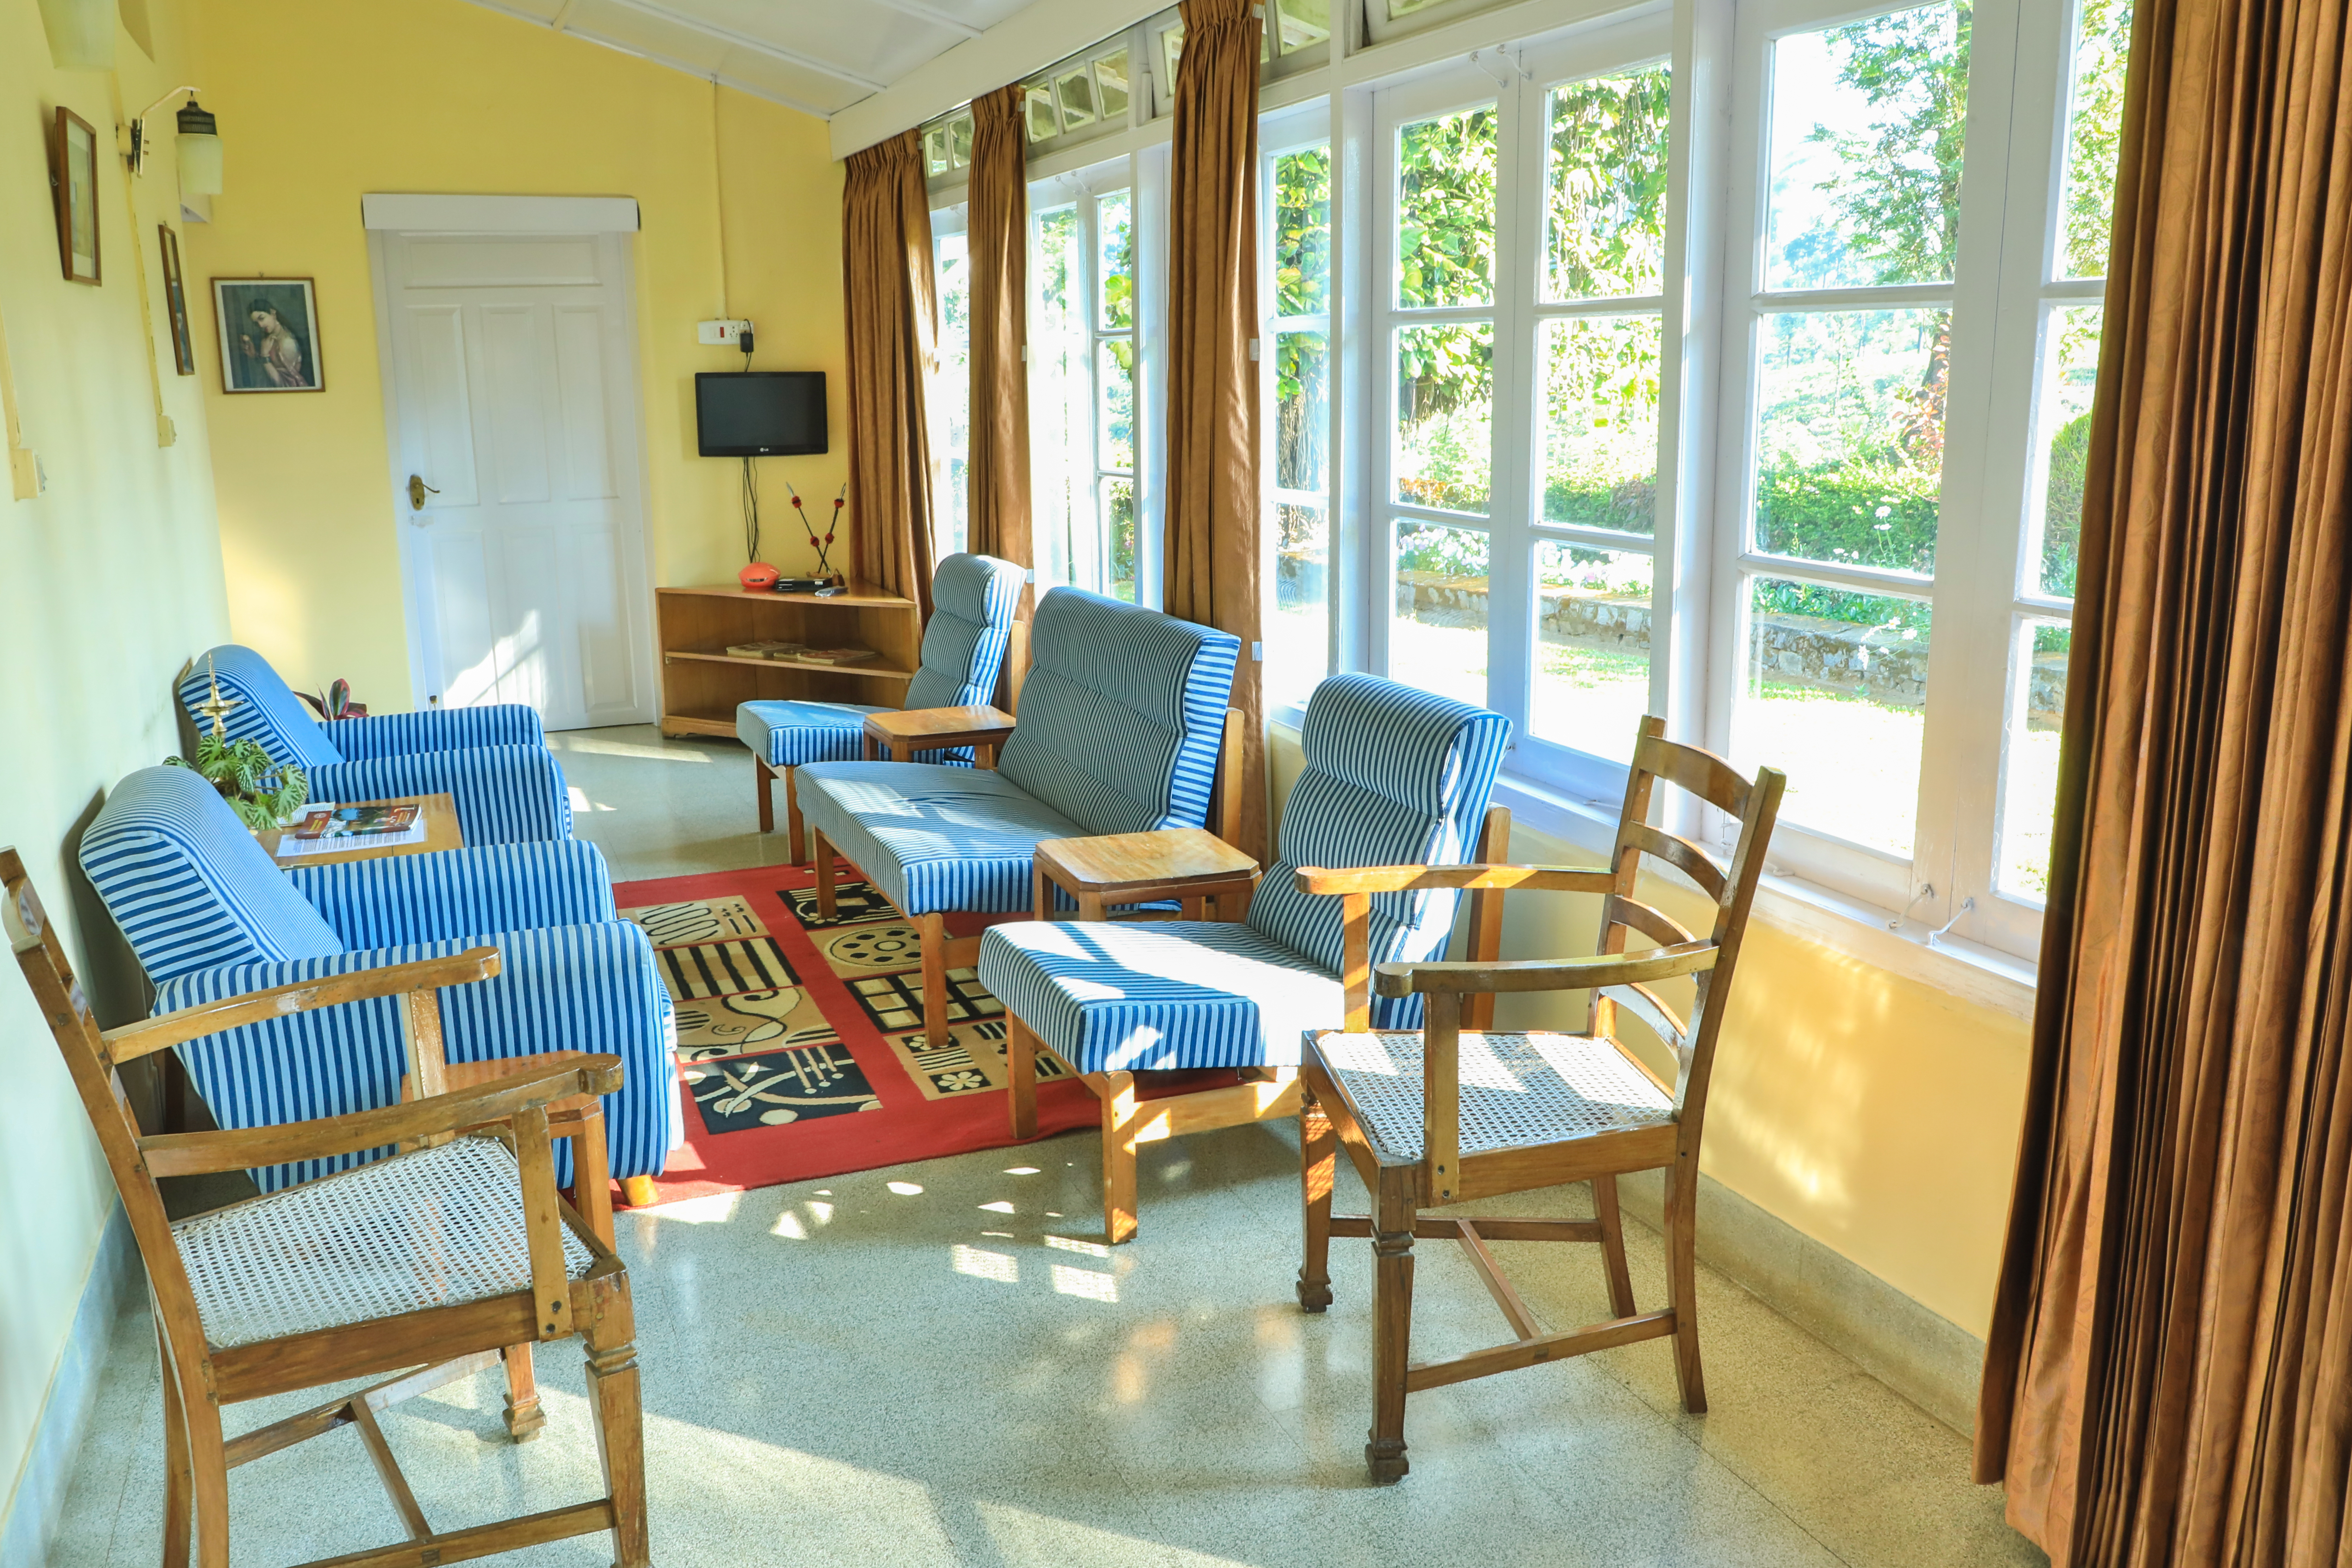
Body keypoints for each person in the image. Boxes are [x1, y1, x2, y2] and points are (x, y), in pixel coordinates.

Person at [238, 300, 309, 388]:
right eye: (256, 323)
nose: (260, 325)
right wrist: (255, 355)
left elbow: (285, 385)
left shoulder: (287, 342)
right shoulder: (269, 338)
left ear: (273, 313)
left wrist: (265, 356)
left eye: (262, 319)